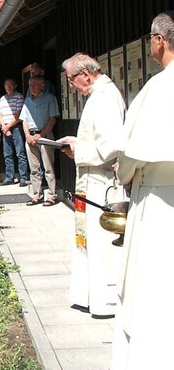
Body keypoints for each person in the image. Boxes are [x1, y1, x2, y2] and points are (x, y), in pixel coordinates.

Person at [109, 11, 174, 370]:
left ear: (158, 40)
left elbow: (132, 153)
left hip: (159, 201)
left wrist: (124, 172)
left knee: (155, 289)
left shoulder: (159, 89)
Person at [56, 53, 125, 319]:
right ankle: (88, 296)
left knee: (101, 242)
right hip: (90, 178)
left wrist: (78, 149)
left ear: (86, 74)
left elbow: (111, 146)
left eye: (72, 79)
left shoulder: (106, 97)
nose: (71, 85)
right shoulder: (97, 95)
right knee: (87, 240)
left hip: (102, 181)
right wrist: (76, 141)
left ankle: (105, 300)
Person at [20, 76, 60, 206]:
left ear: (42, 85)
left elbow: (53, 119)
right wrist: (27, 135)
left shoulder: (50, 98)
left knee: (48, 167)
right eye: (30, 85)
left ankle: (52, 195)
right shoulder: (27, 101)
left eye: (34, 85)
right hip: (30, 136)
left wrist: (41, 134)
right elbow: (24, 120)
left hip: (45, 136)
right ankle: (36, 195)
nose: (31, 87)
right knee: (34, 168)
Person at [0, 78, 30, 186]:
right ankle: (9, 178)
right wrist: (4, 127)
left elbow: (18, 115)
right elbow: (0, 114)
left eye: (10, 85)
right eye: (6, 86)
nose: (8, 88)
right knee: (7, 154)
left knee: (20, 153)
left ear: (15, 86)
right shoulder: (2, 98)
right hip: (5, 128)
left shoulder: (19, 96)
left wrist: (8, 126)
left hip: (16, 127)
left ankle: (23, 178)